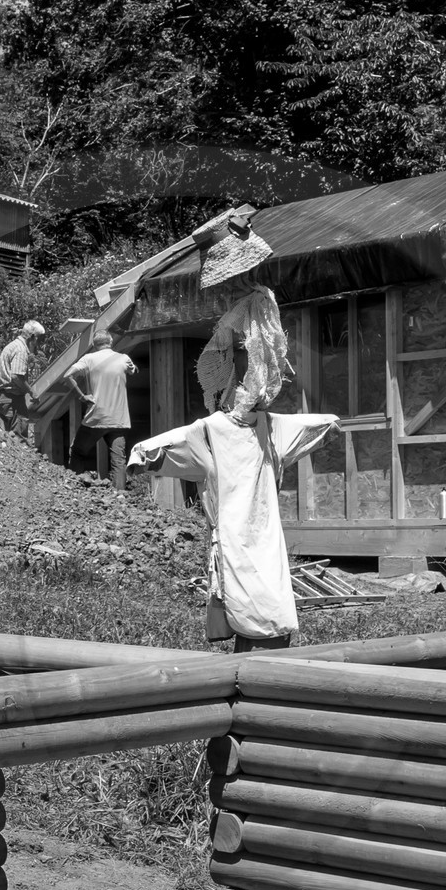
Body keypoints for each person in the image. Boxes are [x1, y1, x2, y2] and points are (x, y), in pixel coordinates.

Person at [126, 215, 337, 652]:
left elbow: (262, 364)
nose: (222, 287)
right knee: (242, 533)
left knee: (247, 535)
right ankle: (249, 633)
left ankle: (264, 634)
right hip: (238, 425)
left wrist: (242, 409)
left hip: (242, 425)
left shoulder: (255, 306)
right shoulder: (248, 305)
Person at [66, 330, 137, 489]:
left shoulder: (89, 358)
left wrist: (82, 396)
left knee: (78, 452)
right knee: (119, 460)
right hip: (119, 419)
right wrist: (132, 367)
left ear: (94, 344)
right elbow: (132, 370)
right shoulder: (123, 358)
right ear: (111, 341)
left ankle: (75, 490)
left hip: (96, 418)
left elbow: (67, 375)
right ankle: (120, 497)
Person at [0, 319, 46, 440]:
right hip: (13, 399)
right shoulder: (21, 350)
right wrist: (32, 392)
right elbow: (16, 376)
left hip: (5, 398)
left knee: (6, 439)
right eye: (39, 338)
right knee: (18, 440)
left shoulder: (13, 346)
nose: (39, 342)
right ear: (33, 337)